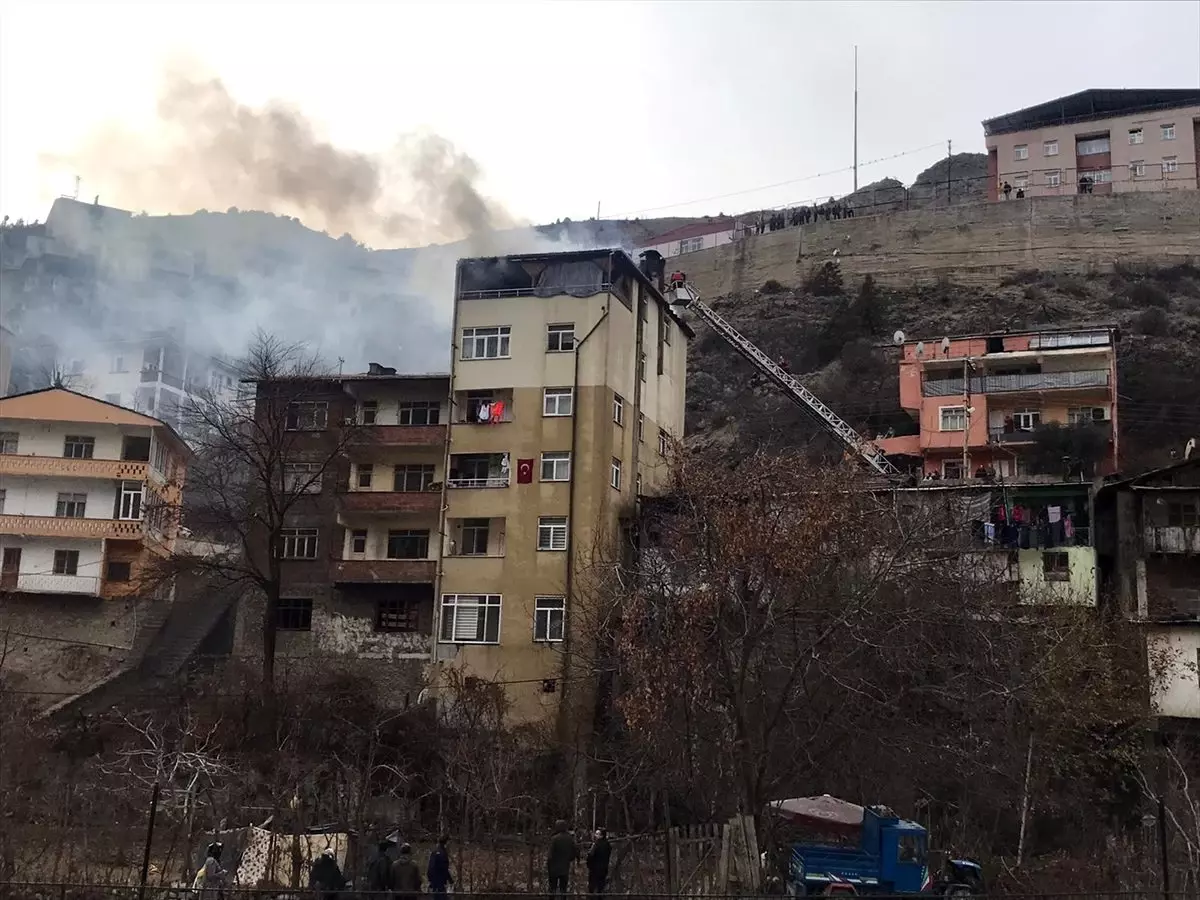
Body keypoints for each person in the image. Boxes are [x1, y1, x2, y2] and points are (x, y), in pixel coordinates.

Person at [547, 820, 579, 899]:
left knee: (552, 889)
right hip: (565, 867)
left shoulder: (554, 839)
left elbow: (550, 855)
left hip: (554, 868)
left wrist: (549, 865)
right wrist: (569, 859)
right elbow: (575, 851)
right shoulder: (570, 839)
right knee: (563, 889)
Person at [586, 829, 612, 896]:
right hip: (604, 867)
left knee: (592, 885)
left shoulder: (595, 845)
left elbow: (590, 855)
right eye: (596, 833)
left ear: (602, 836)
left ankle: (591, 896)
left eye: (597, 834)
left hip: (594, 868)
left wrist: (589, 864)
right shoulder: (608, 844)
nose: (595, 835)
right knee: (601, 885)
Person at [427, 835, 454, 900]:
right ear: (446, 842)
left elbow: (430, 867)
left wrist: (430, 880)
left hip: (434, 882)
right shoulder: (443, 853)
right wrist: (450, 880)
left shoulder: (434, 852)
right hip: (440, 882)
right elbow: (444, 868)